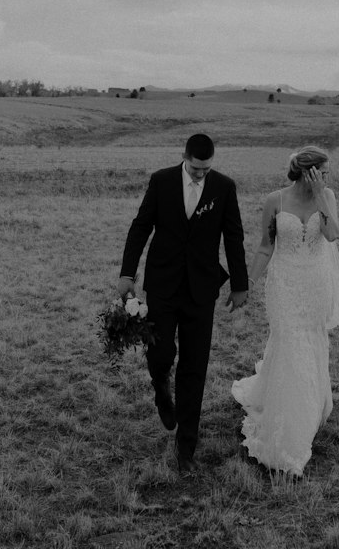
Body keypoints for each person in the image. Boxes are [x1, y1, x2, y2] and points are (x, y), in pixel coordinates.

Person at [119, 133, 249, 472]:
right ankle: (160, 385)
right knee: (161, 352)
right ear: (184, 157)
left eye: (206, 169)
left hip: (202, 290)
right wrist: (127, 273)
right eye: (195, 168)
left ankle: (186, 448)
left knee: (195, 366)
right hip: (163, 284)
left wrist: (240, 284)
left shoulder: (224, 187)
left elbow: (233, 235)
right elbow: (141, 226)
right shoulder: (161, 181)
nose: (200, 174)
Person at [231, 144, 339, 476]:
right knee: (289, 344)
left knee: (310, 344)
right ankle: (290, 430)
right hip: (283, 284)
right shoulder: (275, 201)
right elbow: (266, 246)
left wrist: (323, 198)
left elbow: (333, 234)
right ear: (308, 171)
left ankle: (309, 410)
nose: (327, 178)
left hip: (314, 283)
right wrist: (248, 282)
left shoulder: (327, 197)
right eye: (323, 172)